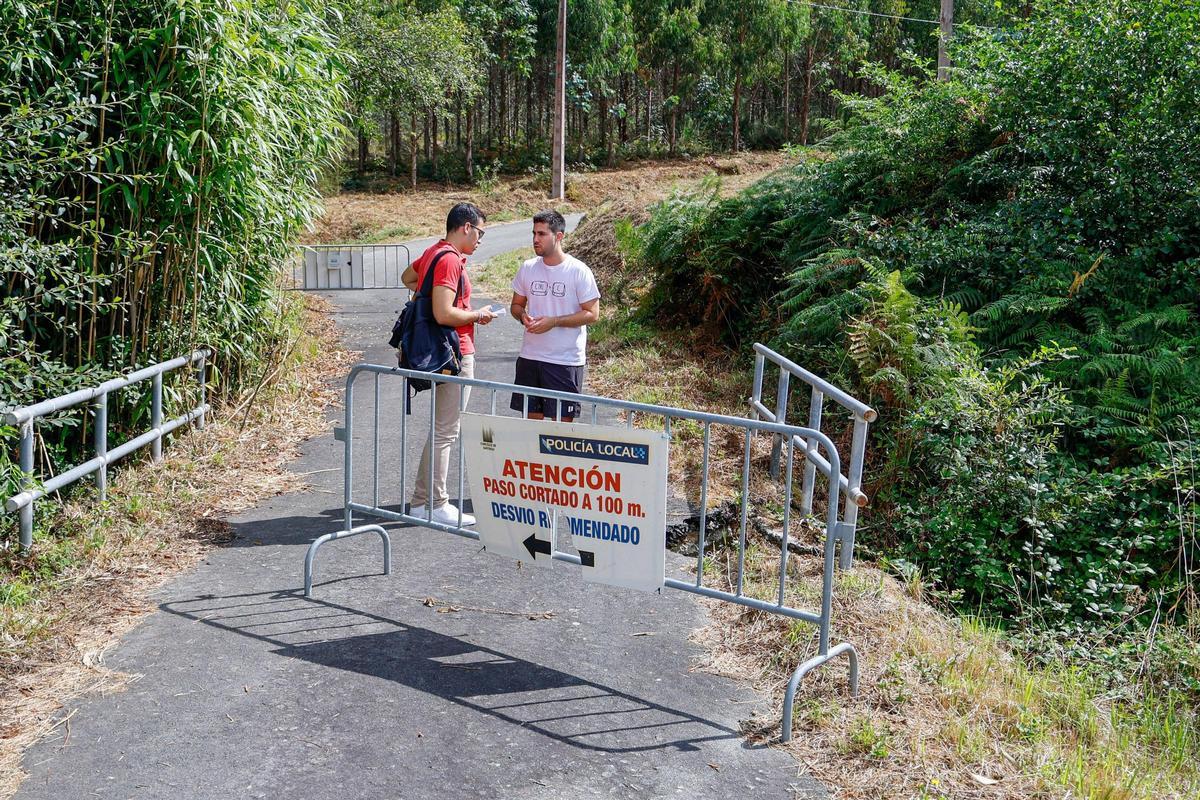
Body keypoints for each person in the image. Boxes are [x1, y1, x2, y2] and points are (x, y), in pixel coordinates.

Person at [400, 202, 496, 526]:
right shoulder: (451, 260)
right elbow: (444, 314)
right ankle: (435, 502)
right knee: (446, 432)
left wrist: (428, 294)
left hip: (443, 350)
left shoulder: (433, 252)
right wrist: (477, 314)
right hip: (455, 353)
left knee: (442, 430)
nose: (481, 239)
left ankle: (422, 501)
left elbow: (408, 277)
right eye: (480, 232)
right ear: (466, 227)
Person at [509, 210, 600, 423]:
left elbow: (593, 313)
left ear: (559, 236)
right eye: (534, 233)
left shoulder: (578, 270)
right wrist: (522, 316)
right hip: (530, 358)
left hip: (564, 360)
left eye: (542, 234)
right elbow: (516, 305)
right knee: (532, 428)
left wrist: (555, 322)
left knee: (560, 431)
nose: (535, 239)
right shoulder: (528, 268)